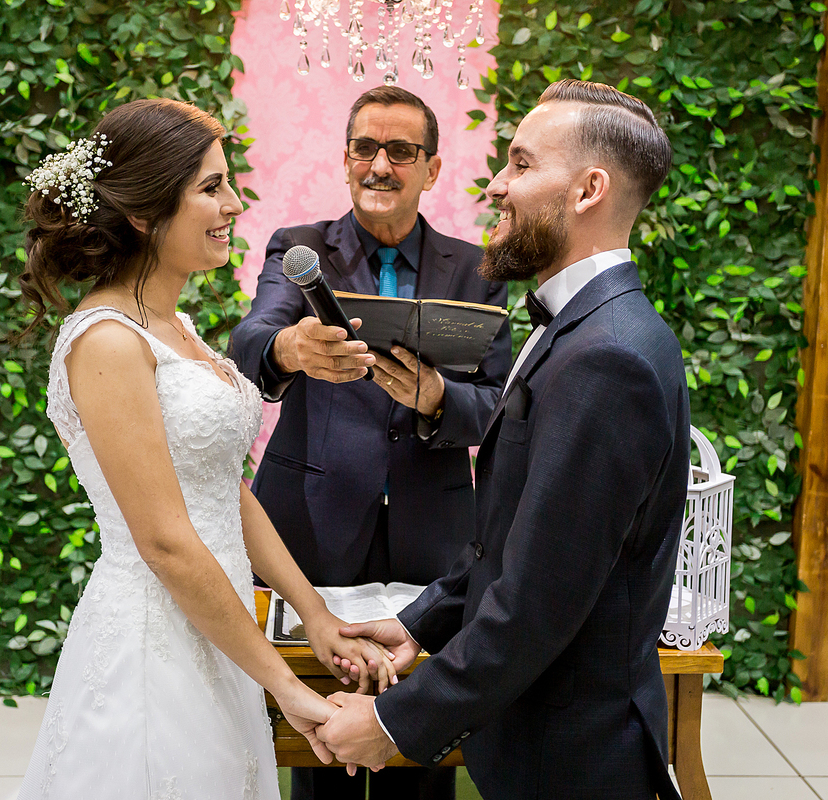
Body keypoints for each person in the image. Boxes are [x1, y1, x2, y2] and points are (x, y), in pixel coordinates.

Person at [315, 79, 691, 800]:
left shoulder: (608, 358)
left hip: (574, 759)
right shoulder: (581, 326)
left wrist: (393, 723)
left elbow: (539, 602)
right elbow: (514, 536)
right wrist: (420, 624)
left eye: (520, 164)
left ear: (588, 190)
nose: (495, 185)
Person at [15, 98, 394, 800]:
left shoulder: (177, 325)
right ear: (144, 213)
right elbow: (165, 542)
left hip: (222, 634)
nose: (234, 205)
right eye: (211, 187)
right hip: (153, 643)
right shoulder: (108, 341)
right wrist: (286, 686)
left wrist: (314, 613)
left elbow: (223, 489)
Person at [230, 86, 511, 800]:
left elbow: (499, 407)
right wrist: (289, 348)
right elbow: (250, 342)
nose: (380, 165)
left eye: (401, 151)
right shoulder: (299, 248)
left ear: (432, 168)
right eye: (365, 148)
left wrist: (437, 398)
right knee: (319, 747)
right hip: (311, 526)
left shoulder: (478, 270)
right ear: (346, 159)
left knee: (421, 745)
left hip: (432, 534)